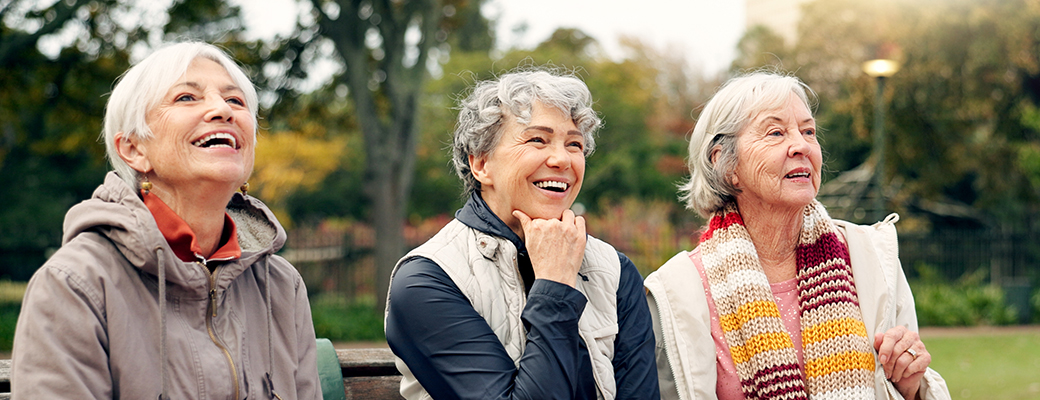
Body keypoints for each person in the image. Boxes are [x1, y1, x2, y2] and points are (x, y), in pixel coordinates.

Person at [11, 42, 321, 399]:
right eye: (187, 98)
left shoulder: (281, 287)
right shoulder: (75, 283)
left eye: (235, 101)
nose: (222, 110)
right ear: (134, 149)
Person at [644, 71, 951, 400]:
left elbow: (905, 386)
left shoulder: (871, 256)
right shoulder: (678, 289)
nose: (802, 146)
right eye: (776, 133)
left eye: (808, 131)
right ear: (726, 165)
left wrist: (911, 386)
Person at [383, 69, 659, 399]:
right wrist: (555, 285)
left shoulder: (615, 272)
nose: (562, 159)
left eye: (574, 144)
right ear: (481, 165)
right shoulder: (427, 281)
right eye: (537, 140)